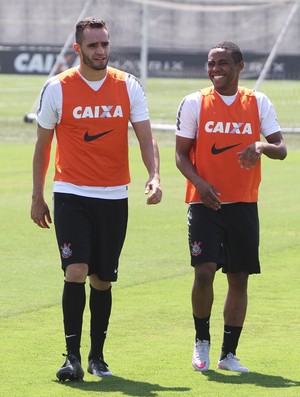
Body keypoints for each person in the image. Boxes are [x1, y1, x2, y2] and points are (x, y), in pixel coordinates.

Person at [31, 17, 162, 382]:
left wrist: (154, 175)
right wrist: (37, 195)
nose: (101, 51)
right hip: (71, 193)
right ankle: (71, 357)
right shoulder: (57, 88)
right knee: (75, 271)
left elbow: (145, 137)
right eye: (93, 45)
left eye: (104, 44)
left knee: (102, 280)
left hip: (113, 196)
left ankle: (97, 357)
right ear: (78, 49)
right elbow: (42, 146)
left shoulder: (128, 85)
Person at [175, 41, 287, 373]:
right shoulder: (195, 102)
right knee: (204, 271)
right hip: (204, 202)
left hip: (243, 204)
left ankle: (229, 354)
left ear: (240, 67)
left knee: (238, 278)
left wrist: (261, 145)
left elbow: (281, 149)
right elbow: (181, 155)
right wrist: (200, 183)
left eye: (223, 63)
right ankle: (201, 342)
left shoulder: (258, 102)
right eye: (211, 64)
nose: (215, 69)